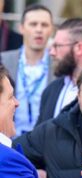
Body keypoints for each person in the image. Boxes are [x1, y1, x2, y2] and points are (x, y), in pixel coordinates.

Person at [1, 4, 54, 136]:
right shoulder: (3, 60)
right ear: (21, 28)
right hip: (9, 139)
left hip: (44, 143)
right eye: (33, 24)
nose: (39, 29)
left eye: (44, 25)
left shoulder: (59, 67)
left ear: (51, 29)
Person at [36, 18, 82, 126]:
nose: (51, 52)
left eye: (57, 46)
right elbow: (37, 138)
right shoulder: (51, 90)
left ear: (79, 48)